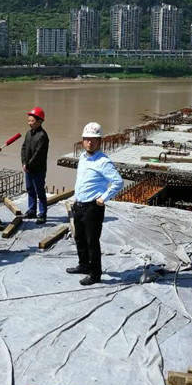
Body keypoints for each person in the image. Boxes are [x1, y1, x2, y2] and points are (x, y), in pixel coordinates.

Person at [66, 122, 123, 285]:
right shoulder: (82, 158)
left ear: (99, 141)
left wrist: (103, 198)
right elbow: (81, 180)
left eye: (94, 139)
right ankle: (84, 265)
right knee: (80, 238)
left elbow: (118, 182)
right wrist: (76, 197)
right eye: (87, 139)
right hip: (79, 204)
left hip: (93, 207)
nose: (90, 142)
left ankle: (95, 274)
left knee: (92, 242)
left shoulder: (103, 162)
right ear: (83, 140)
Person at [21, 106, 49, 224]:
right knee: (30, 190)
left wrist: (28, 165)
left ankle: (42, 214)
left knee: (40, 192)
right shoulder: (28, 133)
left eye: (32, 121)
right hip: (28, 168)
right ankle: (32, 210)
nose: (29, 123)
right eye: (29, 121)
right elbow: (23, 148)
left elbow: (38, 154)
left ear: (39, 121)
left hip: (38, 169)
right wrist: (24, 163)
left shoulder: (42, 136)